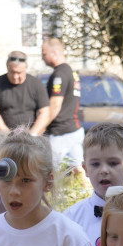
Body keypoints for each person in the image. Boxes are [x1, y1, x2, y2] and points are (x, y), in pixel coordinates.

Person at [41, 38, 84, 173]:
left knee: (49, 174)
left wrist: (40, 128)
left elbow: (55, 104)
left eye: (44, 53)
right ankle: (86, 193)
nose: (42, 57)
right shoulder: (71, 71)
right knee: (80, 171)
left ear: (54, 53)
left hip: (60, 133)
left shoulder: (59, 74)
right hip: (74, 129)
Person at [0, 51, 50, 136]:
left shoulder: (36, 84)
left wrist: (32, 135)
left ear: (26, 68)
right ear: (7, 67)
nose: (15, 76)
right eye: (12, 72)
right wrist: (7, 135)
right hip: (3, 137)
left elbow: (45, 112)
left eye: (19, 73)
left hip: (31, 137)